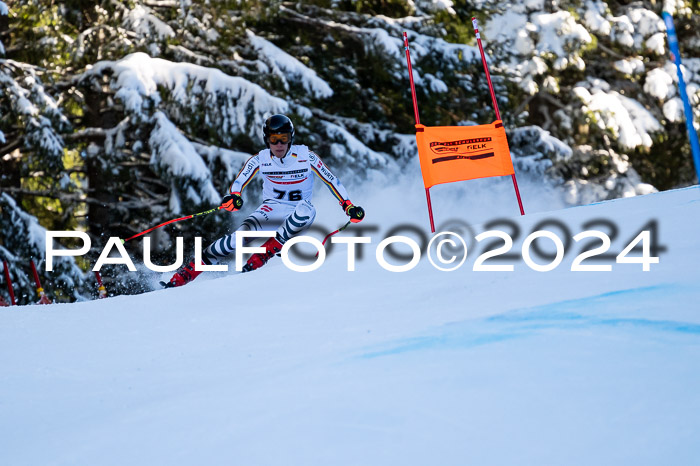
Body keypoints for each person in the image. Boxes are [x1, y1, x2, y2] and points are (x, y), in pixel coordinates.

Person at [165, 114, 365, 287]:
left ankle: (264, 253)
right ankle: (182, 277)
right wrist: (234, 196)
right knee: (235, 239)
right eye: (273, 139)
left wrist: (348, 206)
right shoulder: (260, 159)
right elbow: (240, 180)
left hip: (298, 211)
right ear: (266, 140)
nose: (278, 144)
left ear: (290, 139)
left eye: (283, 139)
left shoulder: (306, 157)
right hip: (270, 210)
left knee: (305, 210)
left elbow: (331, 180)